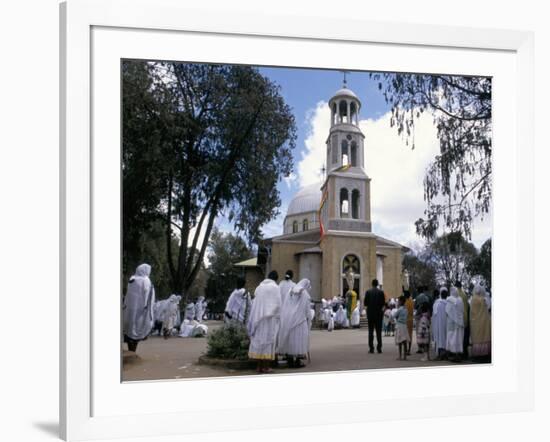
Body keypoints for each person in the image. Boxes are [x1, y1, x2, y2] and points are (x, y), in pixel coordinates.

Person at [247, 271, 282, 374]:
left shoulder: (259, 287)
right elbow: (278, 304)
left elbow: (256, 301)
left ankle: (258, 367)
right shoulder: (275, 288)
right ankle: (266, 367)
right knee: (268, 341)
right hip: (269, 319)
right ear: (275, 279)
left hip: (258, 318)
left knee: (258, 341)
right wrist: (277, 315)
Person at [278, 279, 312, 368]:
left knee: (290, 339)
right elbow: (307, 310)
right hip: (300, 320)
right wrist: (309, 318)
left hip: (289, 319)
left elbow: (285, 305)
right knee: (299, 340)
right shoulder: (305, 294)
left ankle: (289, 360)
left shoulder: (290, 291)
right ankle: (297, 361)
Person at [122, 263, 155, 352]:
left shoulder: (132, 279)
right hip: (141, 311)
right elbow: (148, 296)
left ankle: (131, 351)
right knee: (138, 330)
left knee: (130, 330)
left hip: (130, 310)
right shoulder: (146, 280)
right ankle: (133, 352)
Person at [470, 284, 491, 361]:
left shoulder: (473, 299)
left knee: (477, 339)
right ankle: (484, 355)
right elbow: (488, 307)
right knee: (483, 337)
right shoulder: (483, 299)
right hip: (483, 322)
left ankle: (478, 355)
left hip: (475, 323)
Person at [364, 279, 385, 353]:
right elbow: (383, 303)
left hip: (370, 314)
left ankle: (371, 348)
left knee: (370, 332)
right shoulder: (381, 292)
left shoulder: (368, 292)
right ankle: (379, 348)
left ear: (372, 284)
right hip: (379, 314)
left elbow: (365, 303)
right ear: (377, 284)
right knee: (378, 332)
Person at [445, 286, 465, 362]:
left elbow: (447, 311)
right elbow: (462, 310)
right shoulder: (460, 300)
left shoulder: (449, 300)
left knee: (452, 338)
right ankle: (458, 355)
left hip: (452, 323)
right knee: (459, 339)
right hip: (460, 323)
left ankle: (454, 356)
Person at [432, 287, 448, 360]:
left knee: (439, 338)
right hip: (447, 324)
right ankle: (445, 354)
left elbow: (434, 315)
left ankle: (440, 354)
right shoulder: (449, 303)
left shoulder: (437, 303)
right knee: (445, 338)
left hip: (438, 324)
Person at [456, 281, 470, 358]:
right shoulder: (464, 294)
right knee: (465, 336)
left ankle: (459, 353)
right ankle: (465, 352)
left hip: (458, 318)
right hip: (465, 317)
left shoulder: (456, 294)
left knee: (459, 336)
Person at [394, 296, 409, 360]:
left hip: (399, 326)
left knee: (400, 341)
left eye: (398, 301)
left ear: (401, 302)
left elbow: (395, 316)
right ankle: (405, 356)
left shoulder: (399, 309)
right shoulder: (406, 309)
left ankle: (400, 356)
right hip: (404, 326)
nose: (398, 302)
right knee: (404, 341)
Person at [404, 290, 414, 356]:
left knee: (405, 335)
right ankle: (409, 350)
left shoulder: (406, 302)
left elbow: (405, 311)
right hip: (411, 320)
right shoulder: (412, 301)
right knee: (410, 335)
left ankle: (405, 350)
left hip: (406, 320)